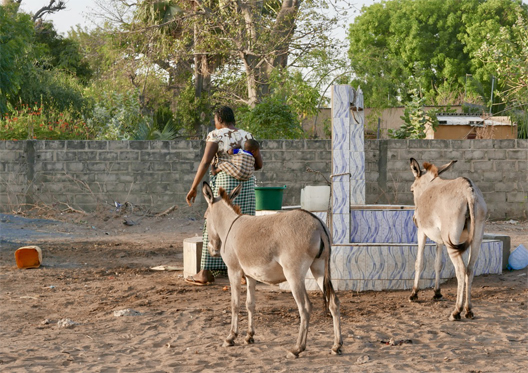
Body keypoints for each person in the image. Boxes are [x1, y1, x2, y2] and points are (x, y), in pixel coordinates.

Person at [185, 106, 263, 285]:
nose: (215, 122)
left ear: (219, 119)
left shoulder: (216, 135)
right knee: (245, 227)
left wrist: (194, 187)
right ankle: (245, 273)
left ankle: (205, 273)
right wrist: (242, 163)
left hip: (225, 186)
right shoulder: (247, 136)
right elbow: (259, 164)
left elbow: (205, 161)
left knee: (213, 225)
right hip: (248, 186)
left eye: (215, 119)